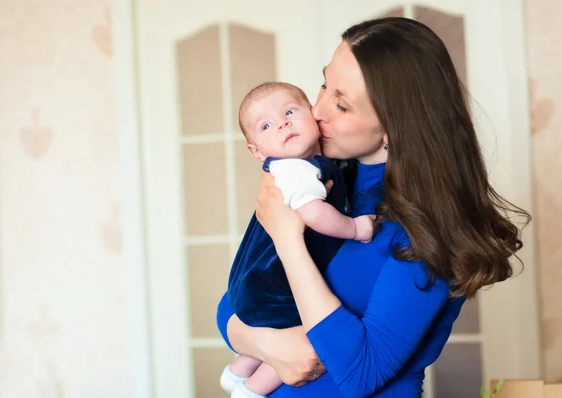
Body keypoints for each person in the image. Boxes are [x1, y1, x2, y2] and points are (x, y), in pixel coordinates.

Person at [217, 17, 530, 397]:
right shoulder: (321, 178)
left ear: (394, 125)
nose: (316, 110)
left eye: (342, 104)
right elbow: (234, 304)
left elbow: (360, 373)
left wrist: (287, 239)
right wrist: (274, 347)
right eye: (323, 84)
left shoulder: (427, 224)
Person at [221, 82, 374, 398]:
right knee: (301, 334)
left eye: (290, 111)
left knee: (277, 329)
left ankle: (238, 371)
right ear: (256, 150)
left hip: (257, 282)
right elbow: (316, 215)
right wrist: (355, 228)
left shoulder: (295, 168)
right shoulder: (296, 171)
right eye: (267, 125)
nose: (282, 124)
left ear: (311, 117)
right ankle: (250, 390)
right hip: (274, 285)